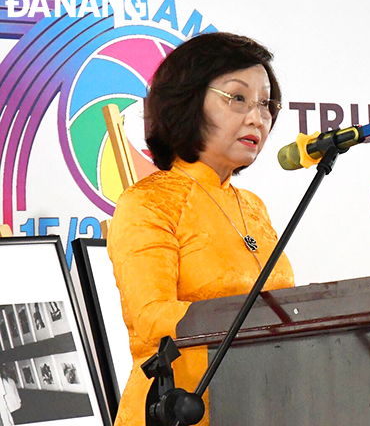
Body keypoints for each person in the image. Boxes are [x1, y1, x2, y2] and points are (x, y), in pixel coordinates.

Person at [107, 32, 295, 426]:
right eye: (237, 98)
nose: (256, 117)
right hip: (180, 407)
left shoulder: (253, 207)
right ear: (189, 101)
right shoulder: (148, 201)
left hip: (260, 404)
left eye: (265, 103)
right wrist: (251, 320)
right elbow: (150, 318)